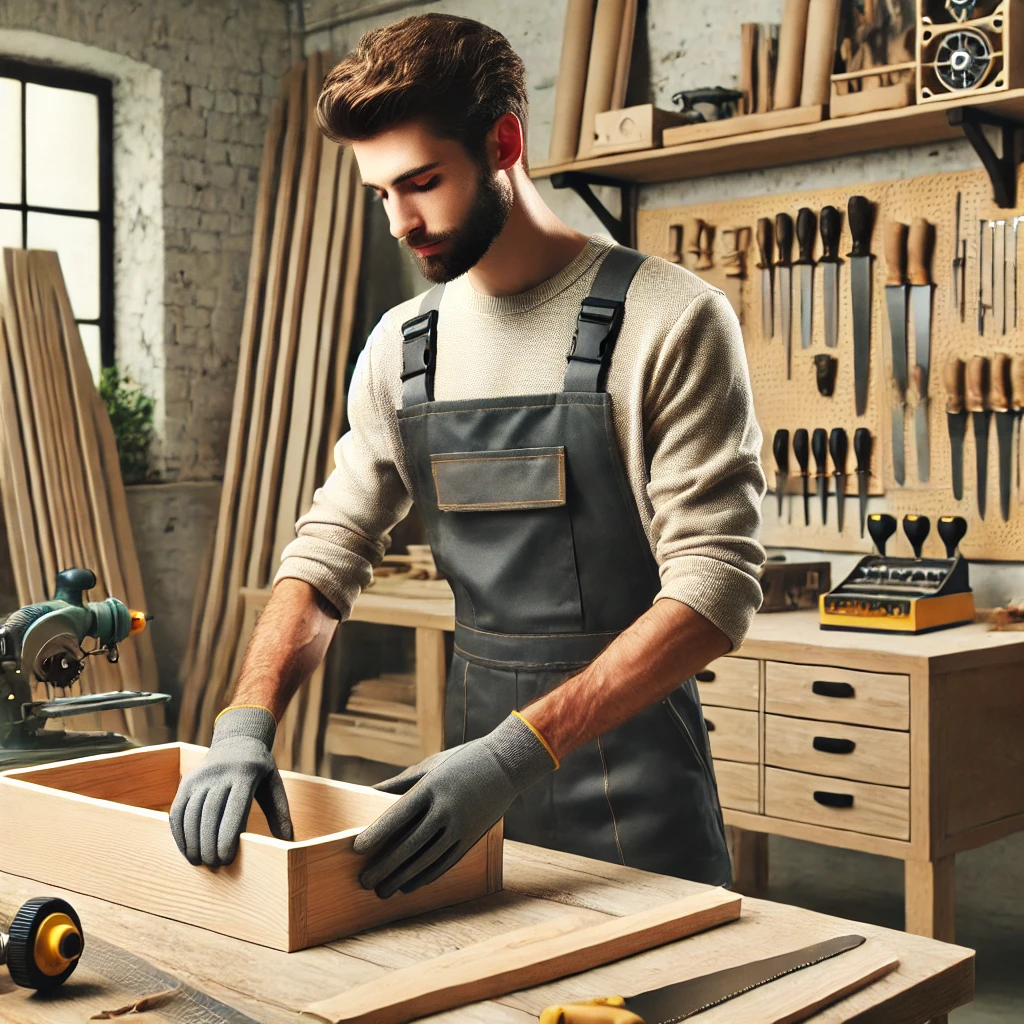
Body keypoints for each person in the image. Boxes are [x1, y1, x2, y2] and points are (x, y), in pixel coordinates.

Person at [170, 13, 767, 898]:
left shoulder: (671, 320)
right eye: (380, 194)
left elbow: (716, 588)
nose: (401, 223)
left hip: (642, 816)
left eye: (421, 182)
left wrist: (512, 754)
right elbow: (327, 554)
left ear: (505, 142)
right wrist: (244, 721)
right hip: (463, 813)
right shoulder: (402, 348)